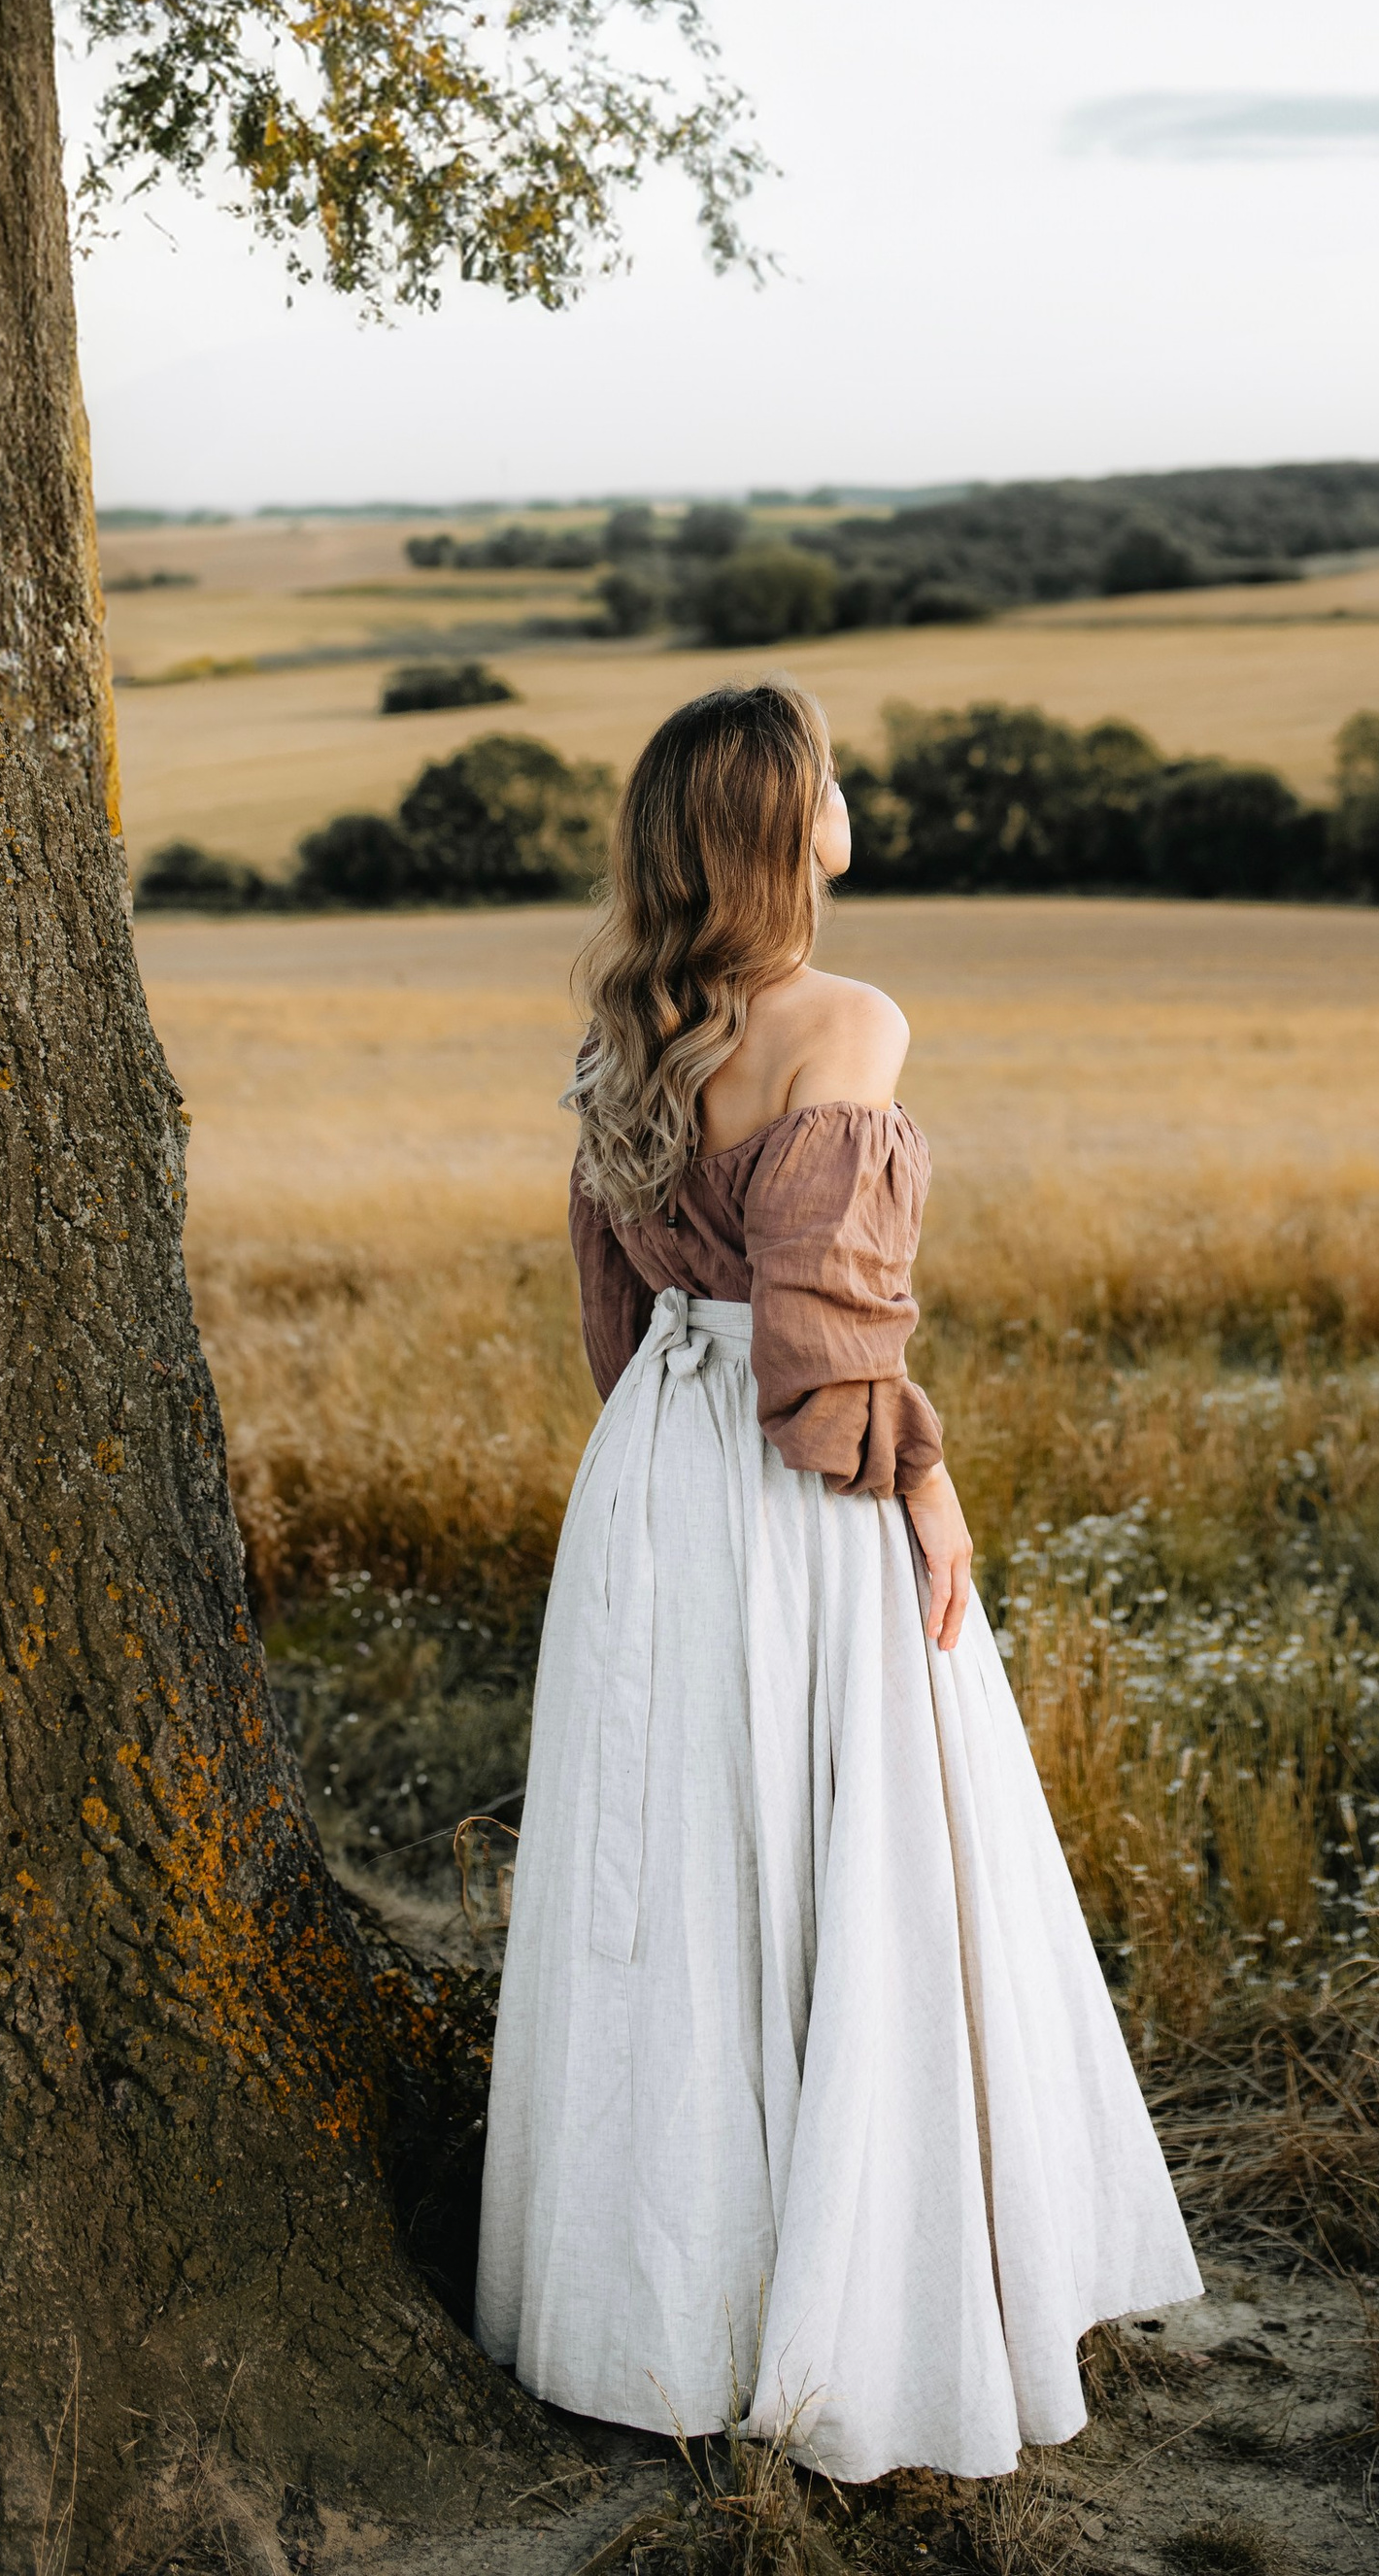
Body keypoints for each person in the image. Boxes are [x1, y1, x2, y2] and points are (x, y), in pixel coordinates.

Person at [475, 680, 1197, 2480]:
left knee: (679, 1860)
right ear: (785, 824)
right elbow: (820, 1331)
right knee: (836, 1844)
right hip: (787, 1486)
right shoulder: (851, 1022)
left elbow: (621, 1319)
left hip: (652, 1468)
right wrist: (928, 1485)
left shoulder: (628, 1040)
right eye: (830, 774)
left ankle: (656, 2309)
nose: (849, 794)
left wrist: (672, 1432)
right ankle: (856, 2296)